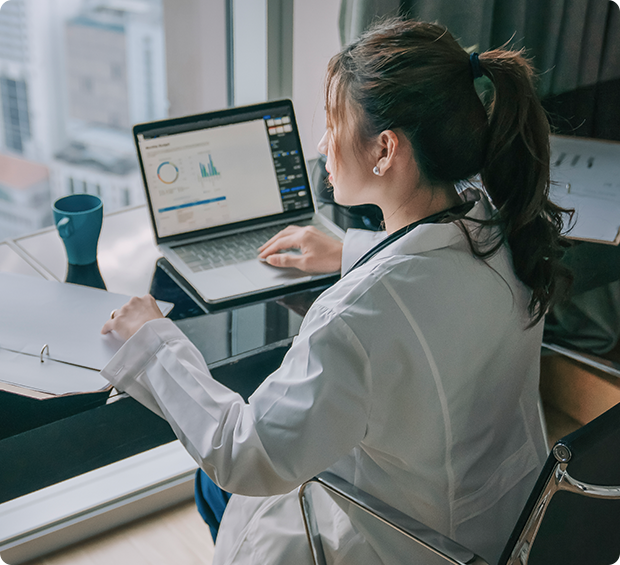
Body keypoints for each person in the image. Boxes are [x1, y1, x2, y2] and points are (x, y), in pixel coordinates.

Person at [100, 18, 570, 565]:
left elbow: (244, 455)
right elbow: (430, 277)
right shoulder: (505, 232)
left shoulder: (355, 316)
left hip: (413, 544)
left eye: (332, 122)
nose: (322, 143)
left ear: (386, 150)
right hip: (502, 528)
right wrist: (348, 249)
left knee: (215, 486)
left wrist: (154, 341)